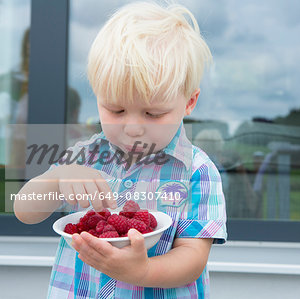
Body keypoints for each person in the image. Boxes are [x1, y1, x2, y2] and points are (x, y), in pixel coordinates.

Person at [13, 2, 227, 298]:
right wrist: (57, 177)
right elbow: (25, 210)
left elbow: (192, 258)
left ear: (189, 102)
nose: (133, 127)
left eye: (153, 114)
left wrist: (141, 272)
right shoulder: (82, 157)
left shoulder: (197, 171)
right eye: (116, 109)